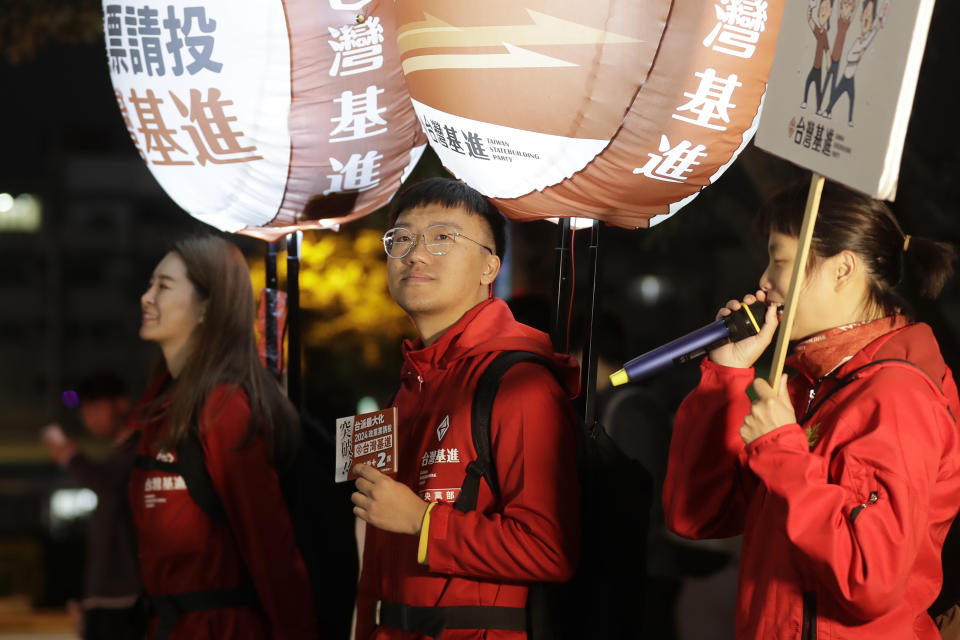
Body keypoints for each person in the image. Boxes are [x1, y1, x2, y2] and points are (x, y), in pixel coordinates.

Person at [663, 179, 960, 639]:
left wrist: (781, 450)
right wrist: (726, 378)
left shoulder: (895, 396)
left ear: (842, 269)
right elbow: (697, 515)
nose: (764, 280)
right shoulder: (812, 385)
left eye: (780, 260)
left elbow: (869, 579)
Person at [351, 177, 581, 639]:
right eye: (401, 239)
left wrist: (421, 522)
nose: (415, 253)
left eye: (442, 237)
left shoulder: (520, 383)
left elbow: (548, 549)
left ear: (489, 267)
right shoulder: (409, 384)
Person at [127, 235, 317, 640]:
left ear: (207, 307)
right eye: (150, 284)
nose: (146, 298)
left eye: (163, 286)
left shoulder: (223, 407)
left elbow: (270, 547)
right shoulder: (160, 405)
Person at [41, 372, 144, 640]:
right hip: (109, 595)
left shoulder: (137, 447)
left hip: (126, 595)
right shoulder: (121, 451)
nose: (90, 418)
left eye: (97, 408)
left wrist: (71, 458)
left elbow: (107, 488)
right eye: (86, 411)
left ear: (121, 404)